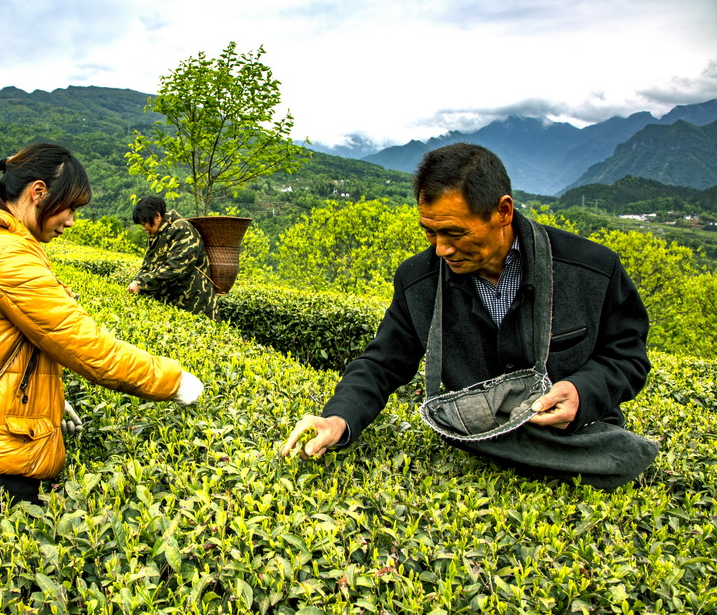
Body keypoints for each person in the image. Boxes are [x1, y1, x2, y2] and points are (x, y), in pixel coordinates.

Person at [281, 143, 657, 488]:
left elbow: (627, 357)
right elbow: (382, 363)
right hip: (474, 452)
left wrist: (581, 391)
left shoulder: (591, 269)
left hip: (572, 445)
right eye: (430, 233)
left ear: (503, 211)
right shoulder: (418, 281)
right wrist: (338, 419)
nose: (442, 249)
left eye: (455, 233)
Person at [0, 143, 204, 509]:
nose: (71, 221)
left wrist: (47, 401)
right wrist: (174, 381)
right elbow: (89, 348)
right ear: (37, 193)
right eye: (70, 207)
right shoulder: (8, 257)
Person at [127, 195, 218, 320]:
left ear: (158, 216)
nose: (144, 228)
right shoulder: (155, 235)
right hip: (172, 305)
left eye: (145, 223)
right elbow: (147, 265)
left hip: (193, 306)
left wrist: (142, 284)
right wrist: (136, 280)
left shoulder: (181, 229)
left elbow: (176, 267)